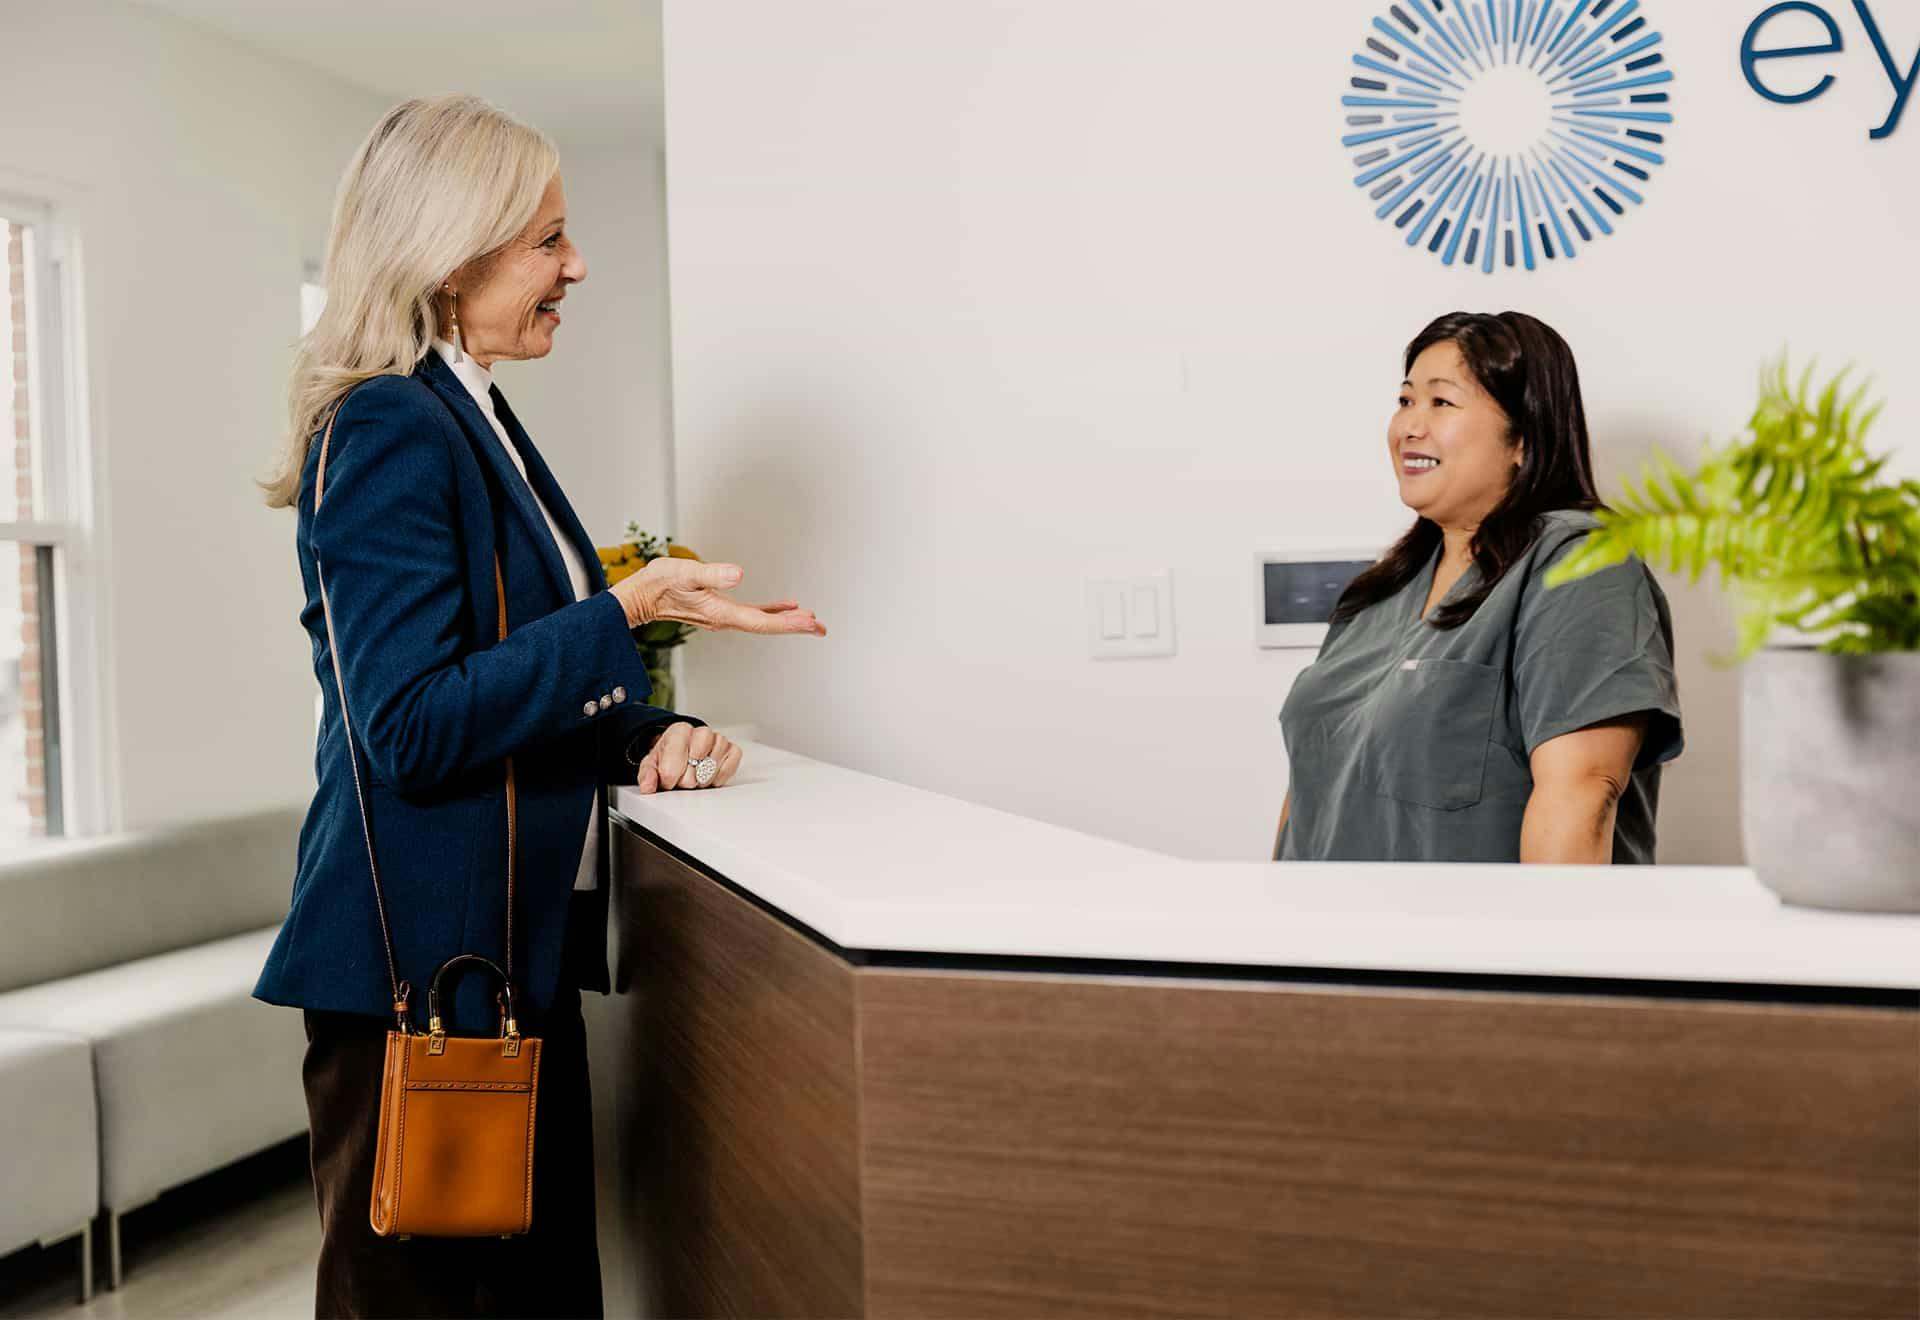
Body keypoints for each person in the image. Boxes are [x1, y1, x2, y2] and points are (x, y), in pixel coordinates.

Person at [252, 95, 825, 1318]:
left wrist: (645, 730)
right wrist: (627, 611)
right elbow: (408, 726)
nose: (575, 265)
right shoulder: (392, 422)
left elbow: (504, 674)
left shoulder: (477, 412)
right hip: (414, 976)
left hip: (496, 964)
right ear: (450, 256)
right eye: (547, 240)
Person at [1275, 311, 1682, 865]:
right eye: (1404, 401)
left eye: (1441, 403)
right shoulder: (1376, 595)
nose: (1410, 426)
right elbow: (1307, 796)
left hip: (1467, 948)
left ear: (1524, 438)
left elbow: (1582, 795)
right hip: (1328, 944)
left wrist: (1542, 952)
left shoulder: (1579, 568)